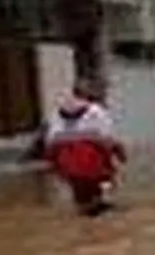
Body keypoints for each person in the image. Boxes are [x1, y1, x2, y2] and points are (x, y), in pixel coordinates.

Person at [43, 78, 126, 216]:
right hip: (91, 160)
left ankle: (85, 211)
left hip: (66, 161)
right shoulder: (96, 111)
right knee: (100, 186)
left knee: (81, 194)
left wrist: (55, 165)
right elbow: (108, 138)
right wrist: (120, 154)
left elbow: (50, 142)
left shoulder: (57, 112)